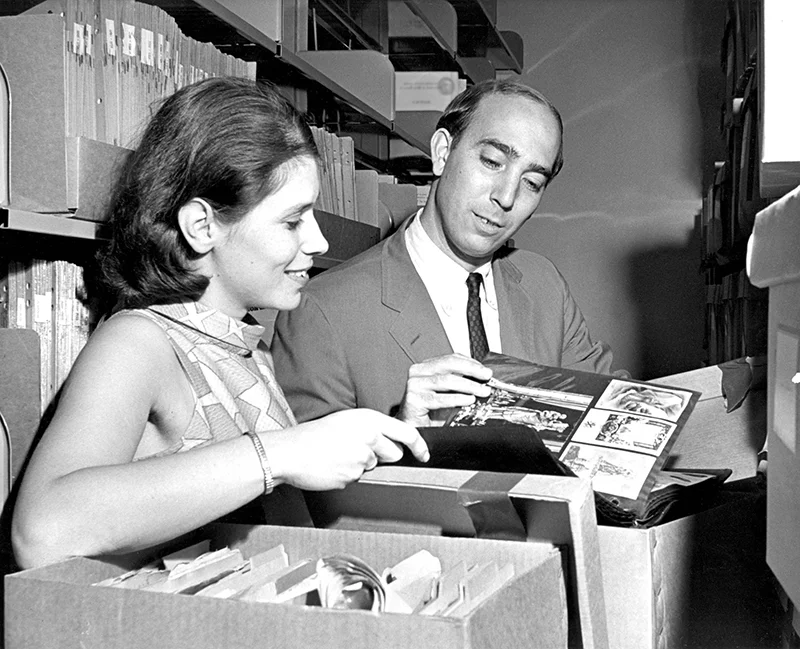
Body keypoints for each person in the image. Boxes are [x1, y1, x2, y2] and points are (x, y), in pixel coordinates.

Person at [11, 77, 429, 570]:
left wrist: (397, 434)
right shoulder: (138, 341)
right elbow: (41, 532)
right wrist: (281, 454)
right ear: (202, 227)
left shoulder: (238, 338)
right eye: (293, 221)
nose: (317, 242)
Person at [272, 78, 621, 428]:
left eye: (532, 182)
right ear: (442, 152)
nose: (507, 197)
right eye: (492, 162)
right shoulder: (322, 311)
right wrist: (404, 432)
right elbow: (309, 477)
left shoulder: (544, 284)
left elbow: (611, 407)